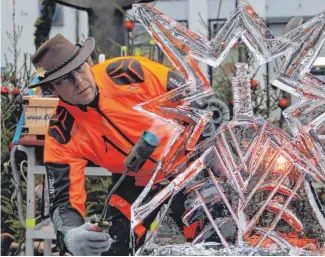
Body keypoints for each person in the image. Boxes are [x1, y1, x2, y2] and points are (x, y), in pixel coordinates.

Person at [30, 33, 199, 255]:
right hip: (133, 181)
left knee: (213, 237)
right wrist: (71, 236)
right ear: (51, 90)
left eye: (79, 69)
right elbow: (64, 202)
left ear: (88, 62)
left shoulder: (128, 72)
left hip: (189, 168)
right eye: (64, 79)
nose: (79, 82)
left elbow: (195, 100)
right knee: (110, 245)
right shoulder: (61, 131)